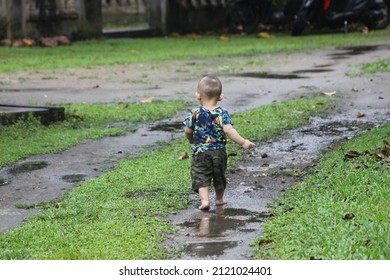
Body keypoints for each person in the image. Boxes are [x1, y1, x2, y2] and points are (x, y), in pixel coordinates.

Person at [183, 76, 256, 210]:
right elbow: (228, 130)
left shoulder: (194, 113)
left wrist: (191, 139)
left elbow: (187, 130)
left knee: (201, 175)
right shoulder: (222, 113)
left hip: (200, 153)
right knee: (219, 176)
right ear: (220, 96)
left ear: (197, 95)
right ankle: (219, 199)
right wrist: (243, 142)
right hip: (219, 152)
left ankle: (205, 201)